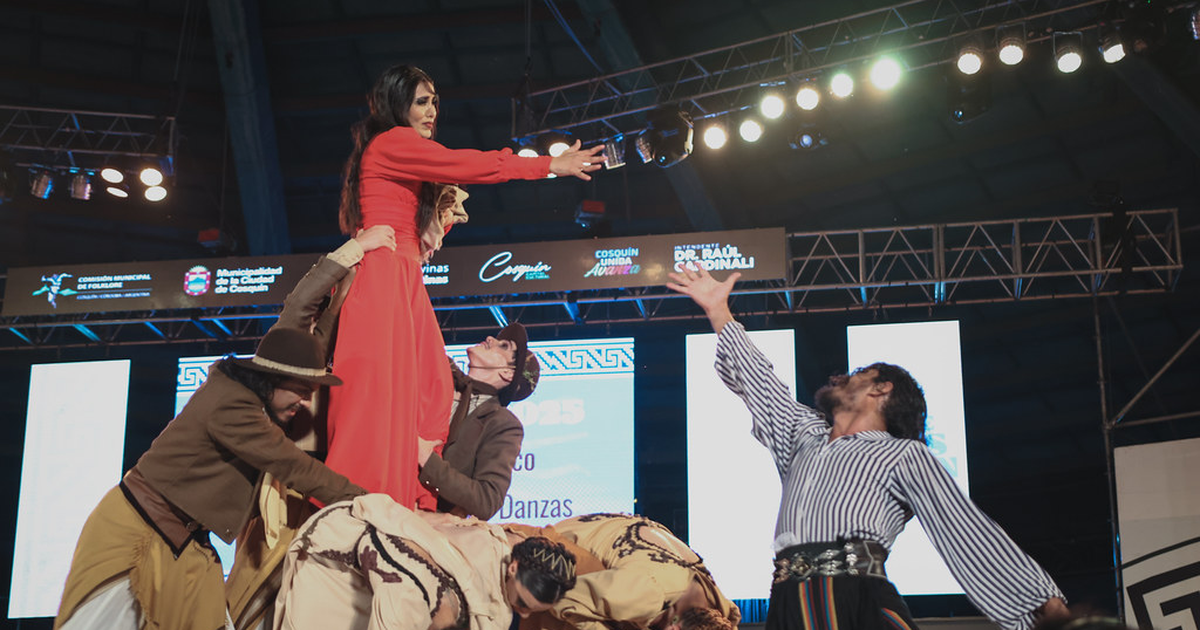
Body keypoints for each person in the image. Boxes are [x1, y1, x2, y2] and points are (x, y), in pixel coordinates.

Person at [666, 264, 1068, 630]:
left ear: (882, 389)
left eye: (857, 374)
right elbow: (759, 382)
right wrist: (719, 311)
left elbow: (964, 528)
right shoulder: (803, 436)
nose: (840, 376)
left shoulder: (903, 454)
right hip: (789, 601)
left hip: (855, 596)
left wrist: (1043, 604)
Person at [53, 229, 398, 630]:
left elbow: (311, 320)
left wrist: (351, 278)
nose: (304, 402)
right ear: (276, 378)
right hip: (135, 536)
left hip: (185, 542)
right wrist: (375, 504)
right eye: (301, 393)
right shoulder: (233, 404)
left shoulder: (271, 378)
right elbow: (297, 468)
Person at [325, 63, 604, 512]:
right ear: (397, 105)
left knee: (431, 388)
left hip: (402, 276)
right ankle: (358, 500)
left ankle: (397, 496)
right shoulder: (393, 141)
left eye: (435, 100)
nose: (432, 109)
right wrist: (550, 164)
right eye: (421, 100)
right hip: (384, 276)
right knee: (376, 394)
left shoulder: (397, 152)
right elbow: (465, 164)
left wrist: (435, 227)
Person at [273, 494, 578, 630]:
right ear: (513, 569)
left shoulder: (511, 546)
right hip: (348, 560)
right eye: (524, 604)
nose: (523, 616)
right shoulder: (436, 590)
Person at [505, 513, 740, 630]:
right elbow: (557, 597)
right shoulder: (646, 593)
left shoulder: (719, 610)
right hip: (546, 552)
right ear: (675, 627)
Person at [418, 322, 541, 519]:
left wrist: (426, 458)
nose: (491, 339)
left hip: (424, 518)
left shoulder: (502, 424)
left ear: (507, 373)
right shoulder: (438, 372)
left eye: (504, 346)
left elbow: (487, 500)